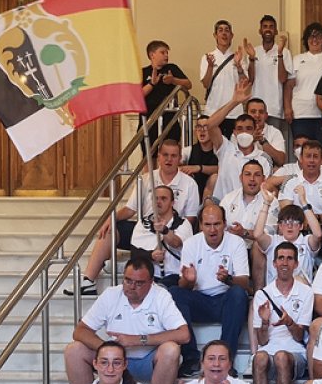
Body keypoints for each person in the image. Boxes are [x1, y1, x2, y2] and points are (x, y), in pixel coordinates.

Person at [64, 257, 190, 384]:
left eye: (138, 283)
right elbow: (80, 331)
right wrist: (107, 349)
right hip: (114, 361)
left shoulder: (160, 295)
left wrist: (138, 339)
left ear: (151, 282)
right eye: (128, 280)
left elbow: (184, 334)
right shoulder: (111, 295)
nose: (131, 287)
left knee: (171, 349)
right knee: (74, 350)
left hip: (147, 362)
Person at [73, 138, 201, 296]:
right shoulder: (146, 179)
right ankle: (88, 281)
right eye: (165, 155)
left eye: (174, 155)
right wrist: (109, 218)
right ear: (159, 157)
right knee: (110, 228)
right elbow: (129, 209)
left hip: (172, 232)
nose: (169, 159)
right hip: (145, 229)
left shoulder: (189, 184)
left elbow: (190, 218)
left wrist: (170, 233)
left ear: (180, 158)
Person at [174, 203, 251, 371]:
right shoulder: (191, 243)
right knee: (175, 293)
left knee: (238, 293)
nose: (212, 229)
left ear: (224, 223)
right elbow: (183, 285)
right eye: (207, 225)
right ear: (201, 225)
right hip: (200, 301)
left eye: (217, 224)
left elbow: (245, 282)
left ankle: (226, 357)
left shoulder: (236, 243)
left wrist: (229, 280)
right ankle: (191, 358)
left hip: (226, 301)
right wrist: (189, 280)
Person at [252, 242, 313, 384]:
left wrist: (289, 322)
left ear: (296, 264)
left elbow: (299, 336)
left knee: (281, 357)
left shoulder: (306, 292)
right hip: (269, 350)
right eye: (280, 258)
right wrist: (264, 321)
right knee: (259, 358)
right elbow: (262, 340)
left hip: (295, 353)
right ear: (274, 263)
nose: (284, 263)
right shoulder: (262, 294)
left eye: (289, 258)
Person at [204, 82, 275, 203]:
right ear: (234, 133)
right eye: (240, 129)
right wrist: (234, 102)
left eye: (248, 129)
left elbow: (264, 189)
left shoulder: (264, 158)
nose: (244, 133)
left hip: (250, 207)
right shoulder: (226, 149)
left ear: (255, 131)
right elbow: (210, 125)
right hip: (223, 207)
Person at [219, 160, 277, 286]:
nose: (252, 179)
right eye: (247, 174)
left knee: (258, 245)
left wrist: (243, 232)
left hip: (256, 249)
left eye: (257, 175)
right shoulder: (228, 199)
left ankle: (258, 294)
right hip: (232, 247)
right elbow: (219, 227)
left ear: (264, 179)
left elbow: (269, 233)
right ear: (241, 177)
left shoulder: (271, 200)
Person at [128, 185, 193, 285]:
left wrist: (164, 230)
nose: (158, 202)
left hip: (174, 276)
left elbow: (177, 243)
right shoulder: (143, 224)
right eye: (155, 198)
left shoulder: (183, 223)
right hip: (148, 277)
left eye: (163, 198)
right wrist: (151, 256)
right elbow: (135, 254)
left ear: (172, 203)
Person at [254, 193, 322, 287]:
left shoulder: (306, 242)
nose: (290, 226)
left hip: (301, 293)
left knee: (297, 280)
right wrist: (266, 203)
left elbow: (318, 234)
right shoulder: (273, 241)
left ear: (301, 226)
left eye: (294, 222)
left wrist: (304, 203)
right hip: (274, 293)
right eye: (285, 222)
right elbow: (257, 235)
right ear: (280, 226)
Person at [140, 39, 192, 152]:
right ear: (152, 55)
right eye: (163, 52)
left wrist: (173, 80)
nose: (166, 55)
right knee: (149, 155)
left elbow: (188, 84)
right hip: (149, 117)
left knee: (170, 152)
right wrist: (152, 84)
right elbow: (138, 95)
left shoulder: (172, 68)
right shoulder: (143, 72)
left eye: (167, 53)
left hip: (169, 118)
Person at [201, 20, 251, 135]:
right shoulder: (207, 57)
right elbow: (206, 84)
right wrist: (210, 66)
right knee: (213, 149)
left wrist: (239, 66)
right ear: (215, 35)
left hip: (234, 112)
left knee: (233, 149)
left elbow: (245, 83)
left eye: (227, 30)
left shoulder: (238, 56)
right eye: (220, 30)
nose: (224, 33)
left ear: (232, 35)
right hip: (213, 112)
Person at [279, 140, 322, 229]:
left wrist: (317, 218)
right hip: (297, 226)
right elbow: (285, 213)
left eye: (316, 156)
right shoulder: (290, 181)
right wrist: (304, 219)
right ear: (301, 158)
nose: (312, 160)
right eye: (308, 156)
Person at [286, 22, 322, 144]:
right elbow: (289, 86)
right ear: (306, 40)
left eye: (318, 36)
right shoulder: (297, 59)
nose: (315, 40)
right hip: (301, 112)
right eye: (311, 36)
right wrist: (287, 108)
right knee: (302, 149)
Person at [249, 15, 293, 136]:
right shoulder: (254, 51)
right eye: (265, 27)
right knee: (255, 144)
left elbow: (283, 79)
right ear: (260, 30)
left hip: (275, 108)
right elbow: (250, 79)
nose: (268, 29)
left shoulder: (284, 52)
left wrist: (279, 54)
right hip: (255, 109)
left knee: (274, 145)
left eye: (271, 27)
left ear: (276, 31)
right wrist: (252, 59)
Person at [245, 95, 289, 166]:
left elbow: (281, 161)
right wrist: (250, 140)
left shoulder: (275, 132)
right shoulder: (239, 131)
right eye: (253, 112)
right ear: (246, 114)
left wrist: (263, 141)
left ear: (266, 115)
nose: (257, 115)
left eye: (261, 112)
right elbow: (234, 158)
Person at [183, 116, 219, 195]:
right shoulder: (188, 151)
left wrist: (199, 168)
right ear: (195, 131)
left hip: (215, 195)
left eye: (205, 127)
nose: (202, 131)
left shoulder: (219, 151)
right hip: (193, 193)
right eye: (199, 127)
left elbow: (223, 169)